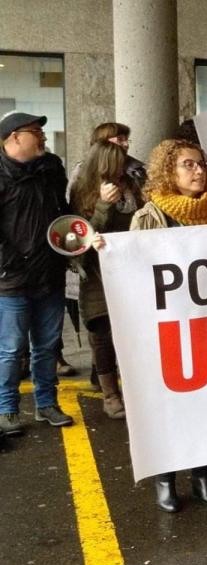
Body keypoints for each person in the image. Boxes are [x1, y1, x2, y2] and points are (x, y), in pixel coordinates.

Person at [128, 138, 207, 512]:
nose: (199, 170)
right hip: (167, 328)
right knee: (170, 405)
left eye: (201, 163)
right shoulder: (150, 216)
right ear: (168, 173)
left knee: (206, 403)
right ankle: (166, 478)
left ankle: (203, 475)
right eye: (188, 165)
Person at [0, 112, 74, 438]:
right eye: (34, 132)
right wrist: (10, 262)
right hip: (11, 279)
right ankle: (7, 409)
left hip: (50, 274)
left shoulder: (51, 167)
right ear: (14, 138)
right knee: (12, 349)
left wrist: (76, 234)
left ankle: (47, 403)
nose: (42, 136)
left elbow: (64, 209)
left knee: (47, 345)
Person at [69, 141, 145, 419]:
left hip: (131, 271)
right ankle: (111, 394)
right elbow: (79, 237)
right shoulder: (83, 191)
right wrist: (103, 204)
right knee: (101, 335)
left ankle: (134, 390)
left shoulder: (133, 186)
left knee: (131, 333)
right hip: (98, 274)